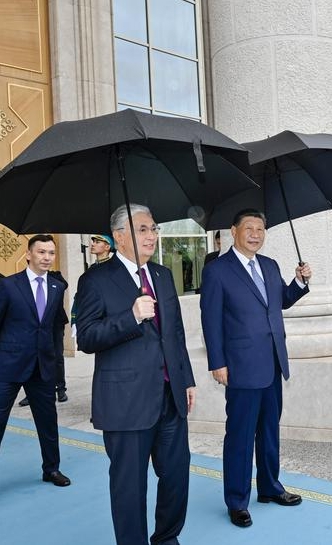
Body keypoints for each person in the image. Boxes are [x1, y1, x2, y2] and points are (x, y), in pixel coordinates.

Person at [76, 204, 196, 545]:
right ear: (119, 237)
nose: (152, 236)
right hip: (125, 403)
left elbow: (175, 333)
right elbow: (86, 337)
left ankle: (166, 539)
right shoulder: (95, 280)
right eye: (142, 229)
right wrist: (130, 317)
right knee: (129, 487)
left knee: (176, 476)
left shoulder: (162, 275)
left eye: (154, 229)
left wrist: (186, 379)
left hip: (170, 397)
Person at [200, 209, 312, 528]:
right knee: (240, 436)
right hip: (240, 367)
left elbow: (281, 301)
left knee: (269, 431)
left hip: (273, 362)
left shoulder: (270, 265)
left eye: (260, 229)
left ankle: (269, 488)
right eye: (248, 228)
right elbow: (210, 320)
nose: (255, 234)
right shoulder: (218, 271)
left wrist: (300, 282)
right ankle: (237, 500)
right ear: (233, 231)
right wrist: (217, 362)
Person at [0, 234, 71, 487]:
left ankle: (51, 469)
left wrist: (53, 359)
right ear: (28, 254)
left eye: (51, 253)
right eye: (41, 252)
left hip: (43, 366)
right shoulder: (9, 285)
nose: (47, 257)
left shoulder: (57, 286)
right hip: (9, 365)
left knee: (48, 421)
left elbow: (52, 327)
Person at [18, 269, 69, 406]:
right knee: (34, 357)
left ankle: (60, 389)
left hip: (55, 325)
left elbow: (64, 285)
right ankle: (31, 393)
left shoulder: (55, 276)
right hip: (35, 326)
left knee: (57, 357)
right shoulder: (23, 281)